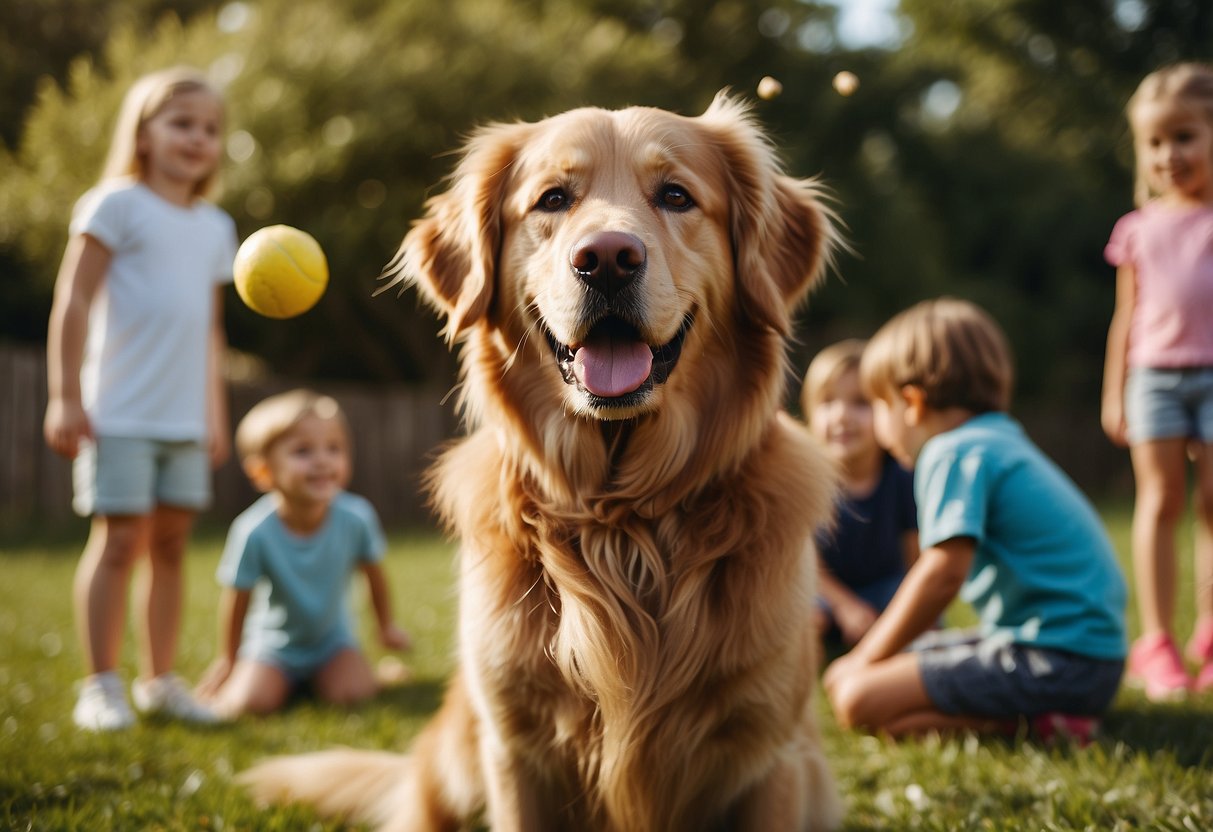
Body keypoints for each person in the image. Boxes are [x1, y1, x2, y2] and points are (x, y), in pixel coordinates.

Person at [823, 298, 1127, 742]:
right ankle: (1041, 720)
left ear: (911, 403)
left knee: (856, 696)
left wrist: (864, 656)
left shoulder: (953, 451)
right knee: (891, 715)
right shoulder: (996, 440)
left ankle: (1045, 723)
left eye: (877, 404)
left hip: (1058, 661)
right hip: (1087, 660)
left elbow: (942, 573)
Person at [43, 66, 236, 731]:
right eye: (181, 123)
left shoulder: (217, 227)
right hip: (118, 410)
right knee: (119, 541)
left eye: (210, 129)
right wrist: (65, 395)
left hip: (184, 416)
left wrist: (215, 414)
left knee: (173, 546)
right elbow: (72, 302)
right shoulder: (113, 204)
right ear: (143, 133)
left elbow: (210, 331)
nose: (197, 138)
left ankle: (159, 681)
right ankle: (100, 685)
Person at [1101, 62, 1213, 700]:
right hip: (1154, 379)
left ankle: (1210, 634)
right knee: (1161, 502)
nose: (1168, 154)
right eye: (1154, 142)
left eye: (1185, 136)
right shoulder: (1138, 230)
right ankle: (1157, 644)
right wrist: (1115, 390)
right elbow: (1126, 316)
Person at [195, 389, 411, 719]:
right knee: (248, 706)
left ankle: (363, 674)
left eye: (334, 448)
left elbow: (374, 576)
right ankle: (280, 681)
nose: (323, 460)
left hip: (333, 643)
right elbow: (237, 599)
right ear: (263, 472)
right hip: (273, 646)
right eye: (303, 451)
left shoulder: (357, 518)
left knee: (353, 694)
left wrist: (386, 627)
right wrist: (229, 658)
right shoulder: (253, 531)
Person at [801, 339, 919, 647]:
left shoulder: (902, 475)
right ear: (809, 415)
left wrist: (911, 612)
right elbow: (806, 561)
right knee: (806, 616)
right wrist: (845, 606)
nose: (842, 415)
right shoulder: (807, 480)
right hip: (827, 595)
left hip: (886, 591)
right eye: (827, 402)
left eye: (860, 402)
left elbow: (915, 560)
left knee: (917, 609)